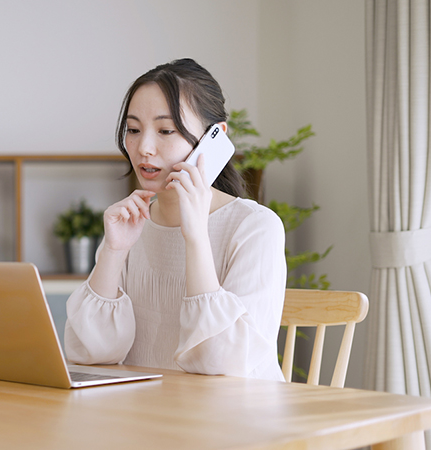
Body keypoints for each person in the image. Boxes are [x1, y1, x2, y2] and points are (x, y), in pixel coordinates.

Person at [63, 58, 287, 381]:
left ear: (215, 138)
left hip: (235, 424)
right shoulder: (130, 227)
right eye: (134, 130)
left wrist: (195, 236)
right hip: (149, 421)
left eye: (166, 130)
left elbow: (221, 363)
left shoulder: (256, 227)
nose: (144, 148)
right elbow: (89, 355)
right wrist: (113, 252)